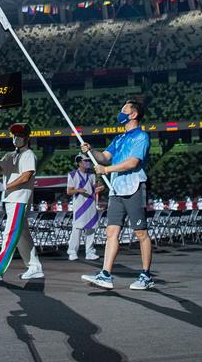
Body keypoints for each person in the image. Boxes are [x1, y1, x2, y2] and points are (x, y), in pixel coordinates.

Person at [80, 100, 153, 291]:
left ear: (134, 115)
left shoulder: (141, 137)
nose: (120, 112)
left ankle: (146, 275)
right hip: (116, 190)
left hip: (134, 187)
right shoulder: (119, 138)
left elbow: (133, 163)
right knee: (111, 232)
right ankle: (105, 275)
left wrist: (107, 169)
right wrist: (91, 151)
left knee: (141, 233)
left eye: (124, 110)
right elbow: (104, 156)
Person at [0, 122, 43, 282]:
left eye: (20, 135)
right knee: (22, 236)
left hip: (20, 199)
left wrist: (6, 186)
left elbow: (26, 176)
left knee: (10, 233)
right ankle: (35, 267)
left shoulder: (28, 154)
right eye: (14, 135)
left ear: (27, 138)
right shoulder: (9, 155)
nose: (16, 138)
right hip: (11, 199)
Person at [66, 153, 104, 261]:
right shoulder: (72, 175)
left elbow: (93, 189)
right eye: (85, 161)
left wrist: (99, 189)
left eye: (88, 161)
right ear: (79, 162)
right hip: (79, 205)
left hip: (91, 204)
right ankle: (72, 252)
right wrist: (78, 190)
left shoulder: (91, 175)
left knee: (91, 229)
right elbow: (69, 191)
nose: (88, 163)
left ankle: (90, 252)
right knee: (77, 229)